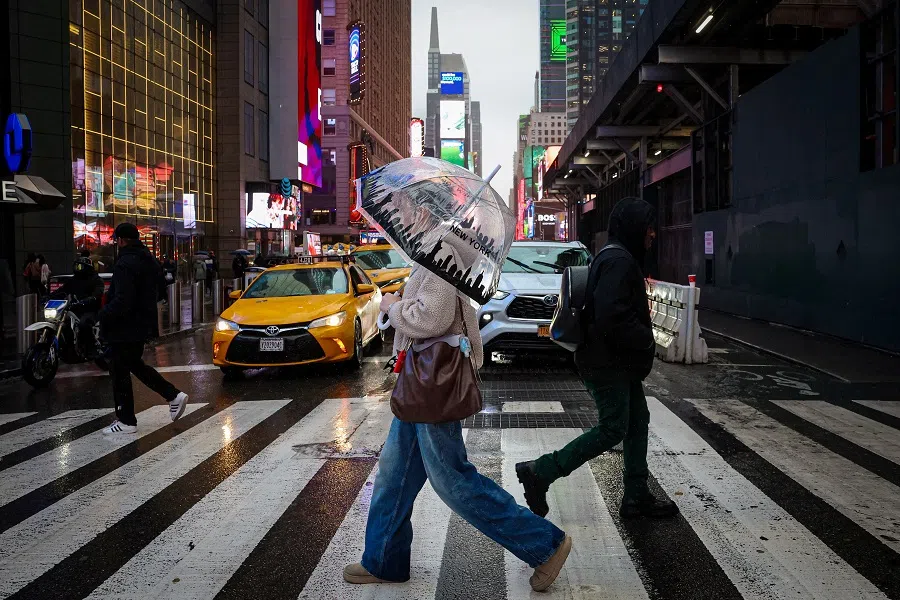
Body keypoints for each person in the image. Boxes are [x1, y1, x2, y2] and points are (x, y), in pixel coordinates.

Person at [344, 265, 572, 592]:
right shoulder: (433, 256)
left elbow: (432, 318)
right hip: (419, 384)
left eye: (412, 210)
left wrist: (392, 306)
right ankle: (383, 560)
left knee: (452, 479)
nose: (408, 213)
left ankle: (544, 544)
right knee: (394, 474)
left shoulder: (442, 254)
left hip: (432, 385)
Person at [515, 198, 678, 520]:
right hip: (609, 363)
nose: (652, 234)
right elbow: (611, 316)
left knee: (635, 423)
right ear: (634, 227)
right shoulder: (619, 260)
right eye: (648, 227)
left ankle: (636, 495)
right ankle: (542, 470)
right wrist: (646, 339)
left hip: (615, 361)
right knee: (614, 427)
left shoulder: (614, 255)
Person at [99, 223, 188, 435]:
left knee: (120, 370)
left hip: (124, 326)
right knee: (133, 364)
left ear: (120, 240)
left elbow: (123, 299)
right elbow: (160, 292)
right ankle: (172, 395)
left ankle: (127, 420)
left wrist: (103, 314)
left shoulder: (124, 263)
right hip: (143, 325)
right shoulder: (149, 260)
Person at [53, 257, 105, 356]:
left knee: (84, 325)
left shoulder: (96, 279)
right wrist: (48, 296)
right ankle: (68, 347)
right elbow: (62, 290)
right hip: (75, 308)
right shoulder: (73, 280)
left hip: (91, 309)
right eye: (76, 265)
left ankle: (92, 348)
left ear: (87, 268)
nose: (77, 268)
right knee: (63, 322)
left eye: (80, 266)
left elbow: (98, 292)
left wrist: (90, 299)